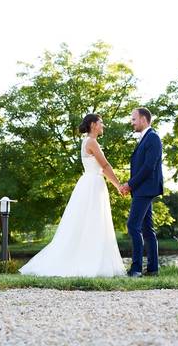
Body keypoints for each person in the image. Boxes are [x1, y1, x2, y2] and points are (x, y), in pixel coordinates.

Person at [19, 113, 126, 277]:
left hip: (91, 184)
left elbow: (102, 168)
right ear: (92, 125)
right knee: (93, 222)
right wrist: (119, 185)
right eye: (101, 122)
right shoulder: (91, 142)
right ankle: (90, 263)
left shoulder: (88, 141)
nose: (103, 125)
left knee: (91, 223)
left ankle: (93, 260)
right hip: (92, 185)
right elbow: (104, 166)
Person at [118, 107, 163, 277]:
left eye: (133, 119)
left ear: (143, 119)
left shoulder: (153, 138)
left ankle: (136, 268)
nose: (132, 123)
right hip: (142, 189)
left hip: (145, 189)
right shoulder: (146, 138)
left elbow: (148, 167)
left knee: (133, 225)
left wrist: (129, 184)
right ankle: (153, 269)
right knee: (146, 228)